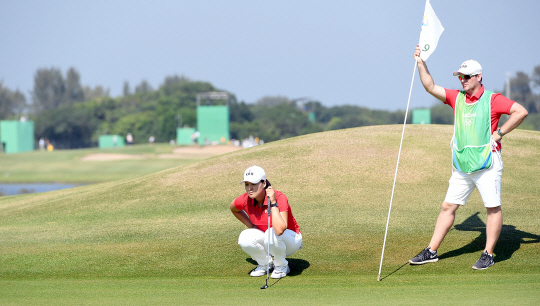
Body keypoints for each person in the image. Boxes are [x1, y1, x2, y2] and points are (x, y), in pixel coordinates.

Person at [409, 45, 528, 270]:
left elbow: (520, 111)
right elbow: (430, 86)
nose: (462, 80)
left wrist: (500, 133)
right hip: (463, 165)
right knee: (447, 207)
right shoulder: (457, 97)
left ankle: (488, 254)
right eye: (459, 76)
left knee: (492, 208)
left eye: (466, 76)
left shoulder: (493, 99)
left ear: (478, 77)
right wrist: (420, 62)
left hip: (487, 164)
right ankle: (431, 251)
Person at [230, 166, 303, 278]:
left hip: (291, 240)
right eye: (246, 184)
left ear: (264, 183)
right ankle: (265, 264)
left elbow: (279, 230)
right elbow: (233, 208)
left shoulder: (279, 197)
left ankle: (282, 266)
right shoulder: (245, 199)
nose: (249, 188)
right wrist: (251, 225)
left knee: (271, 233)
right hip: (270, 239)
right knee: (245, 237)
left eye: (253, 184)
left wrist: (273, 203)